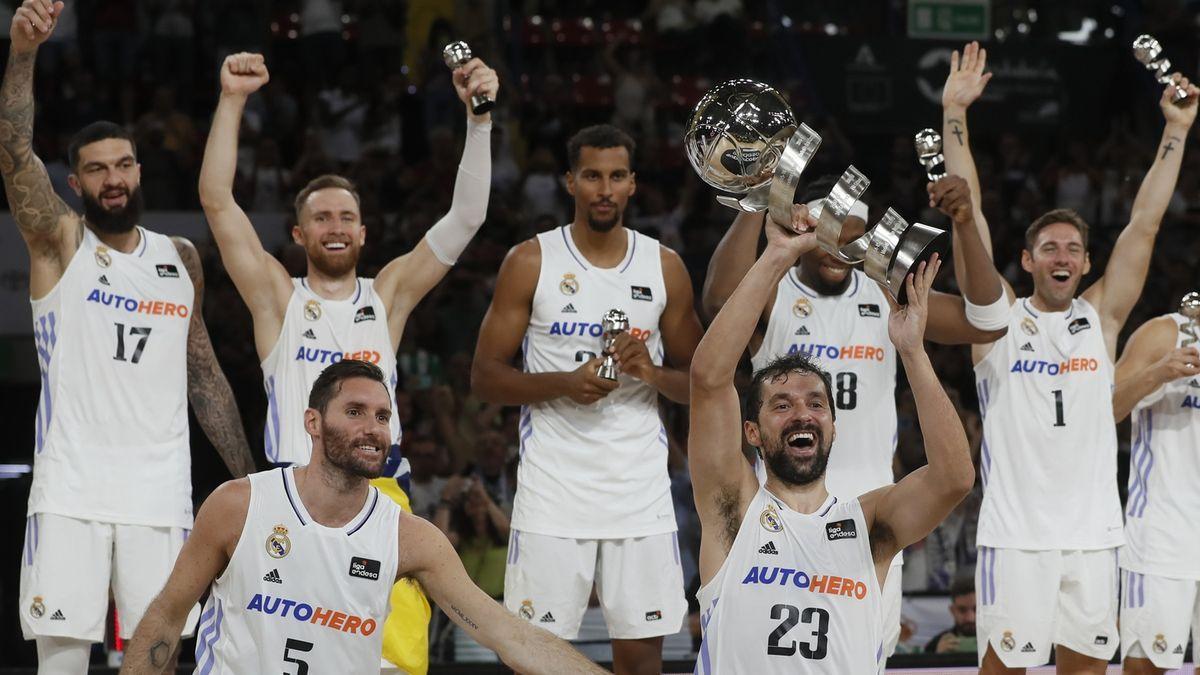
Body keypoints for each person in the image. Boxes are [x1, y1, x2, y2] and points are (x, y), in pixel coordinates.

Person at [199, 51, 496, 674]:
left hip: (382, 491)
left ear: (364, 232)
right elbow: (218, 202)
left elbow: (467, 215)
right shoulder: (278, 299)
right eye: (321, 217)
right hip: (293, 494)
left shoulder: (386, 296)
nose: (335, 226)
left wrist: (479, 120)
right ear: (299, 235)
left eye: (347, 217)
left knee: (391, 662)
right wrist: (231, 100)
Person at [5, 2, 255, 669]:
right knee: (61, 659)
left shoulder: (181, 258)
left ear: (139, 170)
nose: (113, 179)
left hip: (160, 497)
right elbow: (12, 152)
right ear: (75, 182)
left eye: (124, 165)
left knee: (155, 658)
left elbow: (203, 375)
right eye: (96, 169)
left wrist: (249, 481)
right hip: (71, 493)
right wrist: (23, 53)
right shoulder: (60, 244)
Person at [941, 40, 1199, 672]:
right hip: (1016, 538)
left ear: (1085, 263)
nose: (1062, 257)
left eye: (1073, 249)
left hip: (1093, 537)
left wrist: (1175, 131)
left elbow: (1143, 224)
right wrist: (955, 115)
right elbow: (966, 220)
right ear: (1027, 261)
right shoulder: (998, 321)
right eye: (1049, 248)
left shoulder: (1101, 318)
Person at [119, 360, 608, 675]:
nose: (372, 428)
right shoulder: (238, 505)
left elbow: (508, 633)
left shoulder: (410, 537)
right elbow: (165, 617)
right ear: (314, 422)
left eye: (381, 416)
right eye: (354, 411)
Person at [702, 168, 1005, 661]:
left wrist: (966, 222)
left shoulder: (887, 296)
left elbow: (988, 322)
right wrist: (758, 209)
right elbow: (717, 303)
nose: (839, 250)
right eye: (828, 236)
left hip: (872, 522)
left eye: (852, 238)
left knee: (863, 658)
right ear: (805, 230)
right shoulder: (773, 290)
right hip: (779, 516)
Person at [471, 124, 704, 674]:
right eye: (592, 176)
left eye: (616, 176)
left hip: (639, 493)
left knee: (643, 661)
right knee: (533, 657)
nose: (604, 188)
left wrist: (649, 372)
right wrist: (562, 383)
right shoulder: (531, 261)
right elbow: (484, 377)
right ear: (570, 182)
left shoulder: (664, 266)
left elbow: (703, 385)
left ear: (632, 185)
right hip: (553, 491)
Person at [1111, 305, 1200, 673]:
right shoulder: (1164, 332)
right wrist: (1158, 373)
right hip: (1165, 534)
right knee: (1145, 667)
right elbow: (1103, 408)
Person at [924, 576, 978, 654]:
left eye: (976, 609)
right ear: (952, 611)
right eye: (962, 610)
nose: (969, 618)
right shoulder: (935, 645)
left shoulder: (998, 641)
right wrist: (937, 658)